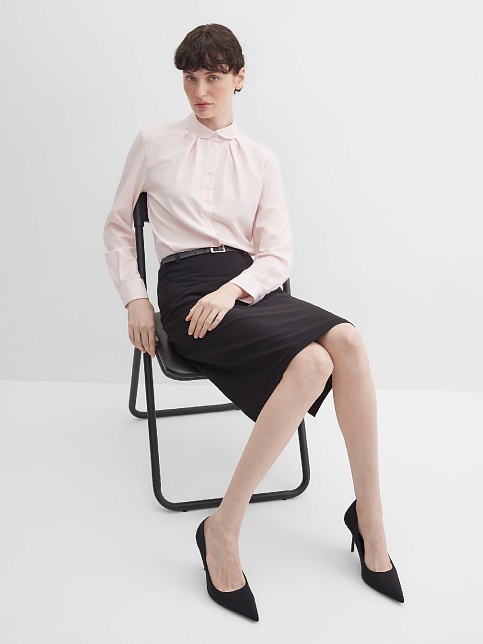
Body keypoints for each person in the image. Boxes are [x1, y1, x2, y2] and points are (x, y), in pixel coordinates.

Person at [103, 23, 404, 622]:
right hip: (187, 289)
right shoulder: (153, 142)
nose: (200, 91)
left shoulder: (261, 159)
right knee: (312, 362)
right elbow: (117, 226)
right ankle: (224, 527)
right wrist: (135, 298)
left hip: (247, 287)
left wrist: (234, 289)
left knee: (346, 340)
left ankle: (369, 517)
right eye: (190, 78)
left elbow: (276, 256)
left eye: (214, 78)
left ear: (240, 79)